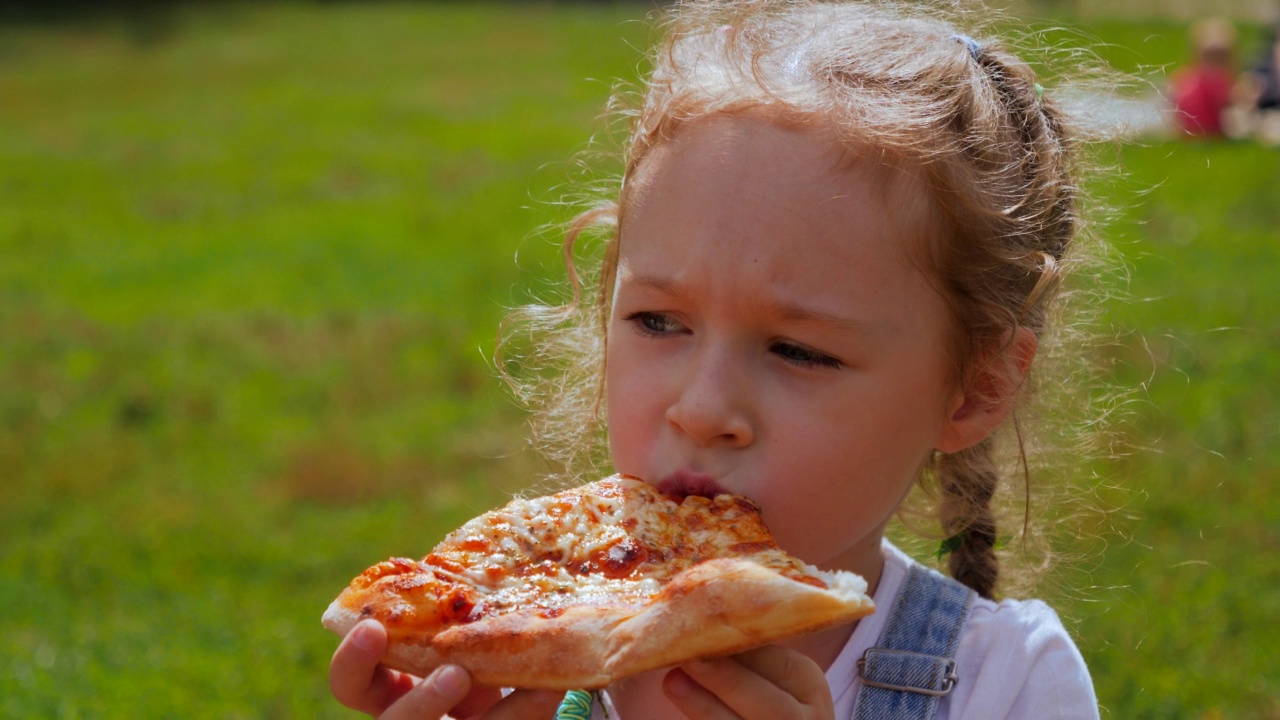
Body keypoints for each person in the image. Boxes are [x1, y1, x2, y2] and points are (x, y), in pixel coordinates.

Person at [328, 0, 1115, 717]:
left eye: (798, 350)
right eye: (659, 321)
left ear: (975, 388)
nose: (701, 409)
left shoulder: (1010, 683)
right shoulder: (517, 658)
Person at [1168, 18, 1237, 137]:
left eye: (1220, 58)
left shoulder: (1227, 82)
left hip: (1209, 130)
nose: (1214, 64)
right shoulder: (1186, 81)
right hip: (1194, 129)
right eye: (1210, 57)